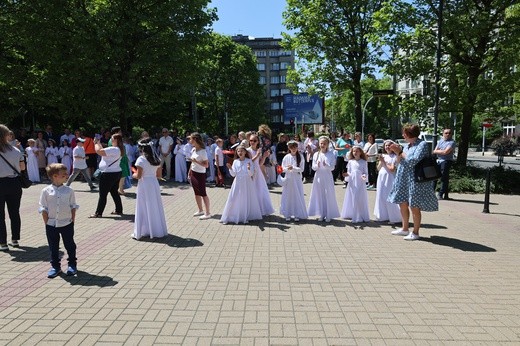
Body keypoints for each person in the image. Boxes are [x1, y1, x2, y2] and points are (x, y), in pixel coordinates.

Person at [388, 124, 438, 240]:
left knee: (414, 205)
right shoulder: (407, 146)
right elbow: (400, 160)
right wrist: (397, 153)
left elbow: (413, 160)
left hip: (416, 180)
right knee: (402, 202)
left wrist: (400, 152)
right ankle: (405, 229)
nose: (403, 135)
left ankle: (415, 232)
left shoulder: (422, 144)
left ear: (410, 134)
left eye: (404, 133)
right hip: (404, 178)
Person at [38, 163, 79, 278]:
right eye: (64, 174)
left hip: (67, 223)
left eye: (67, 174)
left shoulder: (69, 190)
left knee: (70, 245)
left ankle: (72, 264)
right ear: (55, 176)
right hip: (51, 224)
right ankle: (55, 267)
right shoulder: (46, 191)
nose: (67, 176)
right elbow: (43, 208)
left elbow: (73, 207)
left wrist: (72, 221)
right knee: (53, 247)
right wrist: (47, 222)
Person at [132, 138, 168, 240]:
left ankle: (143, 230)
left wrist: (133, 174)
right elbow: (159, 175)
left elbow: (138, 176)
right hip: (154, 183)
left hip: (144, 184)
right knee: (154, 205)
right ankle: (156, 229)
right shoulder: (157, 159)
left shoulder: (141, 159)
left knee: (143, 206)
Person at [220, 145, 262, 225]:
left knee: (245, 199)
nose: (240, 152)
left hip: (247, 182)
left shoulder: (249, 161)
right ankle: (229, 216)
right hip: (238, 182)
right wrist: (230, 168)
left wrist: (249, 169)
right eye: (238, 151)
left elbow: (251, 174)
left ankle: (244, 216)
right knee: (233, 198)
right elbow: (233, 174)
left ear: (245, 152)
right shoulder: (235, 161)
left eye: (241, 151)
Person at [0, 124, 25, 251]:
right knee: (14, 212)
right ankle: (15, 239)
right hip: (14, 183)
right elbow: (22, 168)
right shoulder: (16, 150)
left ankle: (3, 243)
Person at [89, 133, 123, 218]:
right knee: (114, 192)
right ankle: (119, 209)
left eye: (112, 138)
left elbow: (99, 151)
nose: (110, 140)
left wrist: (96, 143)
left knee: (103, 194)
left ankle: (98, 213)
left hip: (108, 174)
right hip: (116, 172)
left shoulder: (114, 149)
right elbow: (102, 150)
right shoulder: (118, 149)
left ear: (116, 140)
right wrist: (99, 143)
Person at [307, 136, 340, 222]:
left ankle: (328, 214)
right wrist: (317, 165)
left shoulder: (331, 154)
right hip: (318, 177)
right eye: (321, 143)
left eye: (324, 143)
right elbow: (313, 168)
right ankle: (321, 214)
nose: (322, 145)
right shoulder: (316, 154)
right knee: (320, 195)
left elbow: (333, 167)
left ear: (327, 144)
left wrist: (326, 165)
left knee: (327, 195)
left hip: (327, 176)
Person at [374, 140, 401, 224]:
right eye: (386, 145)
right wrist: (380, 161)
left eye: (389, 145)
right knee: (381, 196)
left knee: (389, 196)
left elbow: (392, 169)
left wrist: (383, 162)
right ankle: (382, 216)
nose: (387, 147)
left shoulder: (395, 156)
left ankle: (394, 217)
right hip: (382, 178)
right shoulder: (383, 155)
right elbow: (378, 169)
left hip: (390, 178)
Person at [340, 146, 370, 223]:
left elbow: (365, 172)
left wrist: (364, 176)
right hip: (352, 182)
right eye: (354, 151)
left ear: (360, 152)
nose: (355, 153)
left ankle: (359, 215)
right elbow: (349, 171)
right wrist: (347, 175)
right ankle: (353, 214)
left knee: (359, 197)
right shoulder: (350, 162)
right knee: (353, 197)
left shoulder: (363, 162)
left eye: (357, 151)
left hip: (360, 182)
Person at [280, 140, 308, 222]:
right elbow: (282, 168)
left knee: (297, 195)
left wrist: (294, 168)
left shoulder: (301, 156)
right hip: (289, 178)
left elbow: (302, 169)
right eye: (291, 147)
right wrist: (287, 169)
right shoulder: (286, 157)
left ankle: (297, 214)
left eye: (295, 147)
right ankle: (287, 213)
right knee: (288, 196)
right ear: (289, 148)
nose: (293, 149)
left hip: (297, 179)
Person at [247, 134, 275, 216]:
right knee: (252, 191)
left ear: (258, 142)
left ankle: (260, 209)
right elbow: (248, 162)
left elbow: (259, 164)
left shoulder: (259, 150)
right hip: (250, 172)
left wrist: (265, 156)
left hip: (258, 172)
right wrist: (257, 155)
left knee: (260, 191)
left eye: (254, 141)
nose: (252, 142)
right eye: (251, 140)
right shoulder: (247, 150)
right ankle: (251, 209)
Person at [188, 133, 211, 220]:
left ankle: (208, 213)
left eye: (191, 139)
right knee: (196, 193)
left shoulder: (203, 151)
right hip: (194, 172)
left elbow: (206, 165)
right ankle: (200, 210)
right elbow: (192, 162)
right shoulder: (193, 149)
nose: (190, 141)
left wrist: (196, 162)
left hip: (200, 174)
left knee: (203, 193)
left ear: (195, 140)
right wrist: (189, 171)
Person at [433, 128, 456, 200]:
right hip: (438, 161)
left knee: (443, 178)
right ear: (443, 134)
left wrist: (439, 151)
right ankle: (431, 193)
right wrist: (441, 151)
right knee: (434, 177)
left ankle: (441, 194)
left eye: (449, 133)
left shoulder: (452, 142)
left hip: (446, 161)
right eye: (446, 133)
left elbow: (446, 152)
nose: (448, 134)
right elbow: (434, 151)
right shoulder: (440, 141)